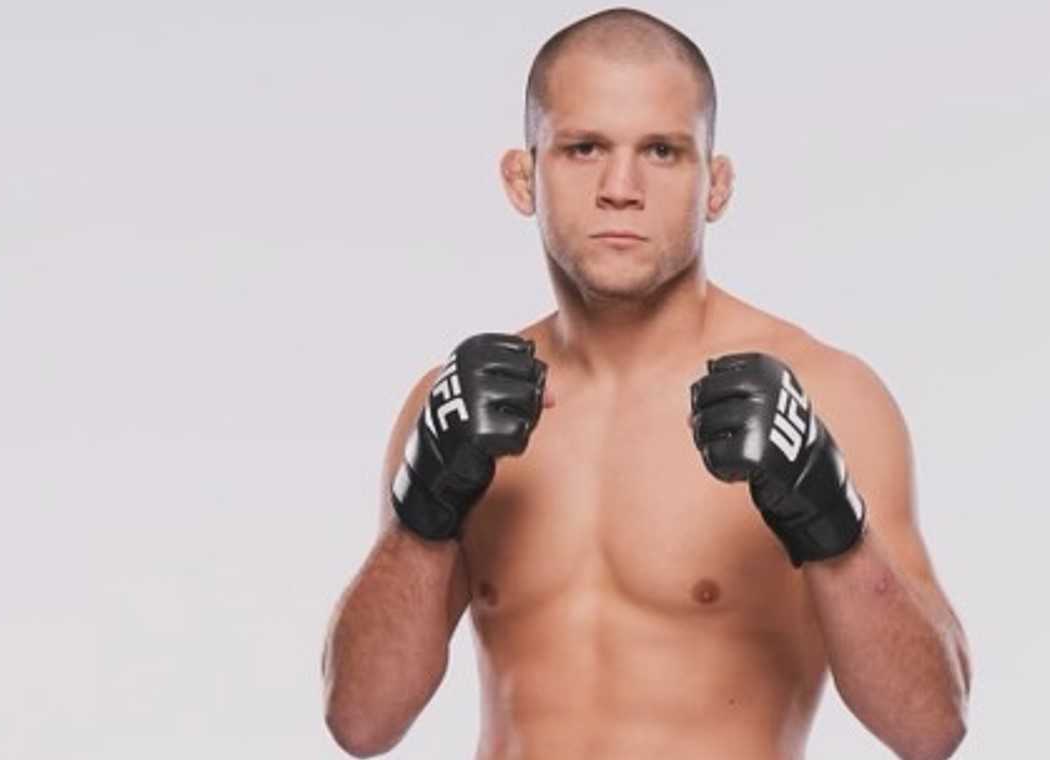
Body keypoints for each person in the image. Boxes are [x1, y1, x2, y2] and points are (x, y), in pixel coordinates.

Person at [322, 7, 970, 758]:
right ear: (523, 177)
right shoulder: (458, 404)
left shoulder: (827, 394)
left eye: (662, 151)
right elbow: (361, 721)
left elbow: (931, 727)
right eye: (584, 148)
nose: (620, 188)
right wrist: (422, 515)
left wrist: (832, 522)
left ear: (715, 186)